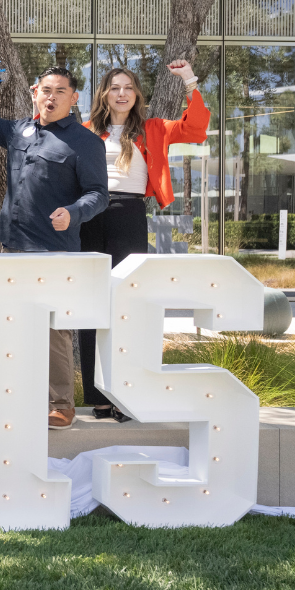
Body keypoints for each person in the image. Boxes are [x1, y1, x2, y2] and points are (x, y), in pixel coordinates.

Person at [0, 64, 108, 430]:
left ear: (73, 98)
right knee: (12, 325)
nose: (51, 97)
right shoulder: (19, 130)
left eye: (60, 92)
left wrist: (73, 213)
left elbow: (99, 195)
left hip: (54, 251)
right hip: (11, 247)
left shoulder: (86, 143)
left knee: (55, 330)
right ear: (34, 93)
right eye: (45, 90)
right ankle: (18, 398)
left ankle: (61, 404)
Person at [79, 59, 209, 421]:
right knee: (92, 306)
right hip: (89, 216)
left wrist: (189, 81)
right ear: (105, 94)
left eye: (128, 88)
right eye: (114, 87)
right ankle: (97, 396)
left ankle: (123, 395)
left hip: (129, 215)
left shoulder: (153, 128)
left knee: (126, 304)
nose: (122, 94)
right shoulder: (87, 130)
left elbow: (197, 128)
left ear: (137, 95)